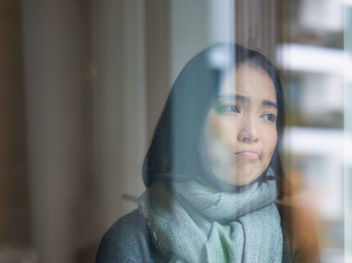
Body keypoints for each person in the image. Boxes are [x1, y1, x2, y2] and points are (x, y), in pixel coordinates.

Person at [96, 43, 316, 262]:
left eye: (268, 116)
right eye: (231, 108)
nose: (251, 133)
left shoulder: (294, 234)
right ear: (190, 120)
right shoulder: (131, 242)